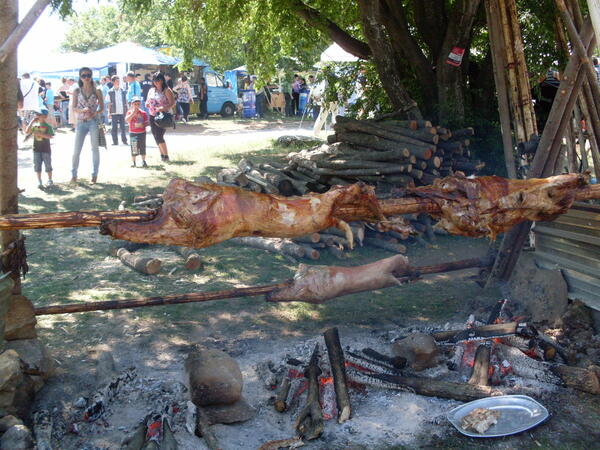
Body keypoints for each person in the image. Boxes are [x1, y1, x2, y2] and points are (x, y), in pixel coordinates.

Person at [71, 67, 104, 184]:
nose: (86, 78)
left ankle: (94, 175)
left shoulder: (97, 90)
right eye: (84, 75)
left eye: (88, 75)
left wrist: (95, 112)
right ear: (80, 77)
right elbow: (73, 108)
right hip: (81, 122)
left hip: (93, 121)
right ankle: (74, 175)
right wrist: (82, 110)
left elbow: (102, 107)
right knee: (76, 150)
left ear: (91, 76)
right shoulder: (77, 91)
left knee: (95, 149)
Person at [146, 71, 175, 162]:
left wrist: (162, 108)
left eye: (158, 80)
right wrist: (147, 104)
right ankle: (162, 155)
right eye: (154, 80)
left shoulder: (166, 90)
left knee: (159, 136)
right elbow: (148, 101)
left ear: (162, 80)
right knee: (155, 136)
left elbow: (172, 103)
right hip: (152, 115)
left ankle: (166, 156)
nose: (156, 82)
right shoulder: (151, 90)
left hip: (163, 116)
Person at [25, 108, 54, 189]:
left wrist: (40, 134)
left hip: (45, 149)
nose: (36, 116)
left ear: (45, 116)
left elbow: (50, 136)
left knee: (48, 165)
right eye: (36, 114)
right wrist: (32, 121)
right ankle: (39, 181)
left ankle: (50, 179)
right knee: (37, 166)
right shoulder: (35, 125)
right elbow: (27, 131)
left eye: (39, 114)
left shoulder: (48, 126)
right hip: (36, 149)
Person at [125, 96, 149, 168]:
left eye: (138, 104)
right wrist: (133, 113)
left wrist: (143, 125)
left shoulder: (143, 113)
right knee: (134, 147)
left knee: (142, 146)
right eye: (135, 104)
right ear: (132, 104)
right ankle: (134, 162)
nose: (137, 106)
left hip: (142, 132)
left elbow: (147, 122)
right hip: (133, 132)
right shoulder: (129, 112)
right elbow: (127, 120)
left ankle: (143, 161)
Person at [106, 75, 128, 146]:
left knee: (123, 127)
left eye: (118, 81)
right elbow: (109, 103)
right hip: (114, 112)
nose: (118, 82)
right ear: (113, 82)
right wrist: (109, 113)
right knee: (114, 128)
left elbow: (126, 101)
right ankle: (115, 142)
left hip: (122, 111)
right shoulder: (110, 92)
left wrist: (127, 111)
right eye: (116, 81)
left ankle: (124, 141)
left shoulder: (123, 91)